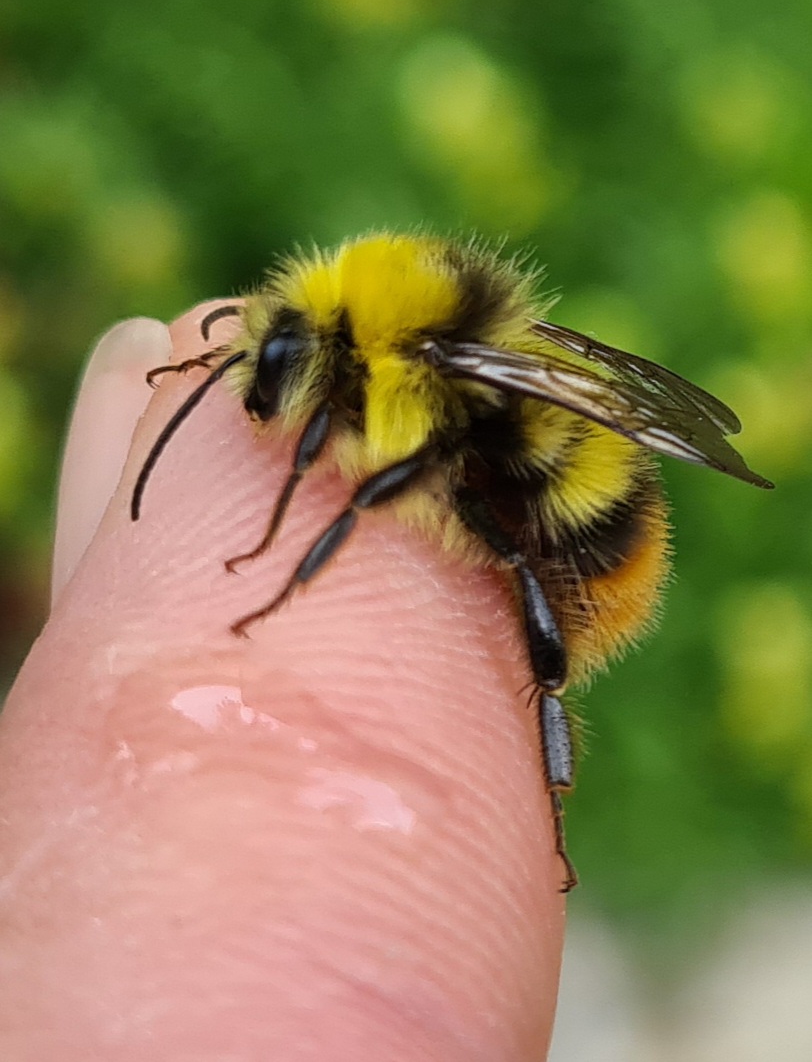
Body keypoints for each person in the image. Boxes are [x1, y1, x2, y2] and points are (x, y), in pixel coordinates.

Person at [1, 307, 565, 1058]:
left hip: (566, 495)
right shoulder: (387, 345)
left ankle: (549, 760)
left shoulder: (395, 358)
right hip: (520, 441)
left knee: (445, 530)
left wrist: (273, 555)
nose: (261, 401)